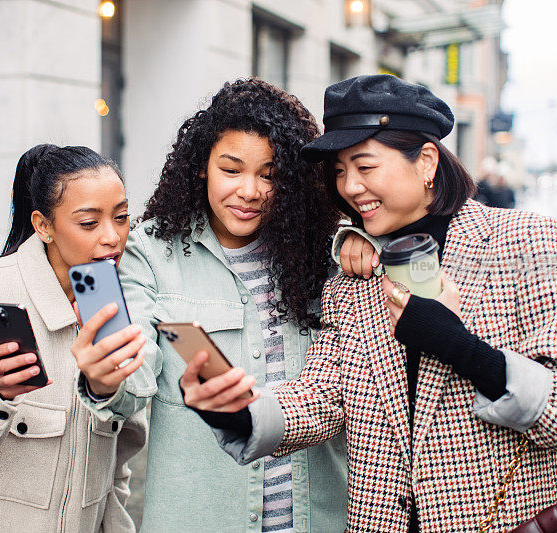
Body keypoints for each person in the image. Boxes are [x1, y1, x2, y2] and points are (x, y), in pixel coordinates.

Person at [181, 75, 557, 532]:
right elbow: (322, 398)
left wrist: (459, 347)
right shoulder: (352, 277)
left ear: (426, 161)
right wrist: (239, 412)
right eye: (340, 171)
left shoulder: (524, 242)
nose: (349, 187)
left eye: (365, 167)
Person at [77, 79, 375, 532]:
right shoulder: (153, 253)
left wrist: (366, 240)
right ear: (202, 167)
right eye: (231, 170)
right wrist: (104, 382)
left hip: (320, 518)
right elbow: (132, 382)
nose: (250, 191)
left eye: (270, 175)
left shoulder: (327, 252)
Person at [0, 144, 148, 532]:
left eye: (121, 218)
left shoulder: (122, 306)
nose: (112, 237)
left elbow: (117, 463)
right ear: (43, 225)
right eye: (89, 223)